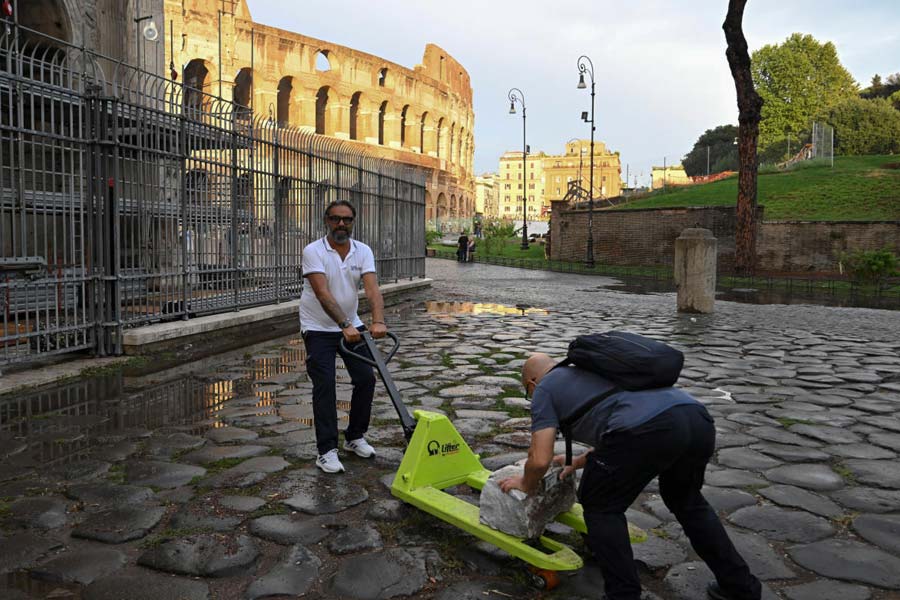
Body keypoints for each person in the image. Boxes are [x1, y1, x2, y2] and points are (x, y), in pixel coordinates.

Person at [499, 353, 761, 600]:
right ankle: (740, 587)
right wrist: (578, 461)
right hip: (695, 417)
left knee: (600, 506)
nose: (531, 397)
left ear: (532, 383)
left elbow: (539, 459)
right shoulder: (590, 372)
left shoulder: (545, 388)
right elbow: (620, 424)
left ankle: (622, 595)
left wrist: (526, 484)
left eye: (527, 392)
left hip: (650, 428)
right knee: (688, 503)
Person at [299, 200, 387, 474]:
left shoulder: (363, 251)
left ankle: (354, 436)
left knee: (365, 378)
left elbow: (372, 289)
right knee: (325, 385)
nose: (341, 224)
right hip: (318, 327)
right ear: (326, 220)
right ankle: (326, 451)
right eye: (336, 219)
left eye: (346, 219)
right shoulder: (313, 251)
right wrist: (344, 323)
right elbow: (322, 293)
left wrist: (378, 320)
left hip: (352, 324)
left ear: (353, 222)